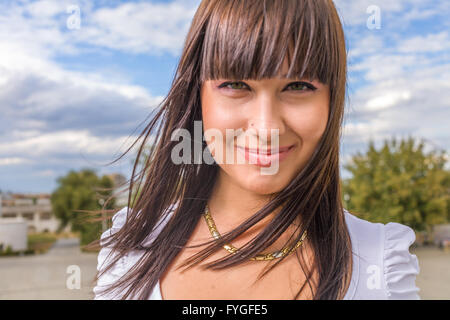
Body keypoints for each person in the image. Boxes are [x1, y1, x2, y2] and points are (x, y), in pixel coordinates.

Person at [92, 0, 420, 300]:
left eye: (299, 86)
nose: (267, 128)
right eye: (237, 85)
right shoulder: (131, 251)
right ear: (197, 96)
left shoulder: (382, 264)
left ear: (331, 100)